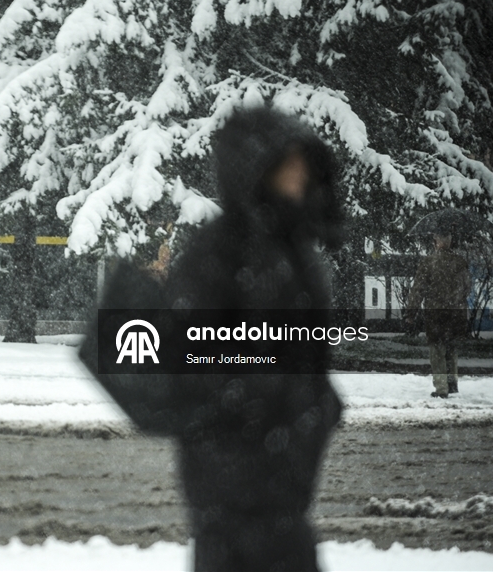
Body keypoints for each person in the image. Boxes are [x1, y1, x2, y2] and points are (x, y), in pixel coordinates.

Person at [79, 106, 344, 572]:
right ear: (256, 169)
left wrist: (316, 402)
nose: (301, 175)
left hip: (282, 495)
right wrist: (257, 391)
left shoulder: (292, 249)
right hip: (234, 497)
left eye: (304, 163)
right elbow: (192, 363)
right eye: (289, 164)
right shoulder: (220, 253)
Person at [405, 232, 470, 398]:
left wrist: (411, 312)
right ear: (450, 241)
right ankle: (452, 383)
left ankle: (442, 388)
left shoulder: (429, 262)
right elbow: (467, 288)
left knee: (437, 349)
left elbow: (418, 289)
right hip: (456, 313)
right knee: (451, 348)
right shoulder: (460, 262)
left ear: (436, 242)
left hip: (435, 314)